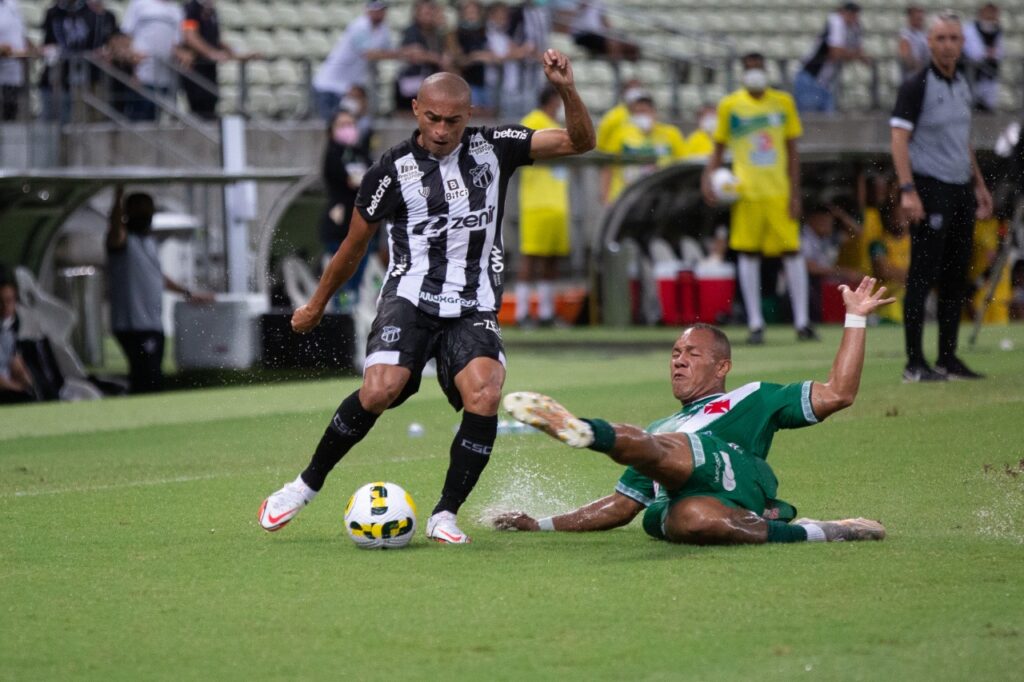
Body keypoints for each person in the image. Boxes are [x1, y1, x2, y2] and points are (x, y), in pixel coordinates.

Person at [257, 50, 596, 543]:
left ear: (470, 116)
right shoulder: (391, 172)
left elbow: (579, 142)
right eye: (432, 118)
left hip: (474, 302)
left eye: (453, 121)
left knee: (485, 392)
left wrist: (566, 88)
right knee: (379, 389)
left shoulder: (497, 146)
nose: (441, 130)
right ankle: (303, 486)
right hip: (411, 297)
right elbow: (354, 246)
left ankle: (445, 514)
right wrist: (315, 304)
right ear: (416, 110)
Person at [495, 277, 893, 545]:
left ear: (722, 367)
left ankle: (587, 432)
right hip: (688, 498)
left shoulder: (754, 397)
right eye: (674, 354)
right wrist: (539, 523)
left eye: (692, 354)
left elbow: (840, 393)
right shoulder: (661, 427)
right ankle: (819, 532)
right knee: (693, 519)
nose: (678, 361)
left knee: (668, 446)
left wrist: (855, 317)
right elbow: (619, 508)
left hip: (733, 475)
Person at [890, 11, 993, 381]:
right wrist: (907, 190)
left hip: (961, 187)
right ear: (930, 43)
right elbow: (898, 138)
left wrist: (979, 185)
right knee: (922, 274)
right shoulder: (916, 85)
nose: (948, 44)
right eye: (941, 38)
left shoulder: (963, 84)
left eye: (954, 38)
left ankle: (948, 358)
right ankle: (914, 362)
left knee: (955, 275)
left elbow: (963, 141)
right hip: (929, 186)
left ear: (962, 43)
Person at [702, 52, 814, 345]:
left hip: (778, 192)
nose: (754, 73)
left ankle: (802, 322)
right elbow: (718, 147)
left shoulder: (783, 103)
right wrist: (708, 178)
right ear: (742, 73)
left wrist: (795, 192)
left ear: (766, 71)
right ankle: (755, 323)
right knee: (748, 254)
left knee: (791, 252)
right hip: (745, 194)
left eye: (758, 68)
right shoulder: (730, 106)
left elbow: (792, 151)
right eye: (749, 68)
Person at [106, 185, 213, 393]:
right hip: (134, 324)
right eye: (141, 210)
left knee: (152, 376)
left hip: (152, 323)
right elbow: (115, 229)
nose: (147, 215)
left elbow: (157, 277)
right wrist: (118, 195)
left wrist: (188, 293)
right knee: (146, 377)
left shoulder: (149, 242)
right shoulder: (122, 242)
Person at [515, 85, 570, 328]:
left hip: (558, 202)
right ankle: (522, 312)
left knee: (552, 260)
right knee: (531, 257)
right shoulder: (531, 122)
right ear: (551, 100)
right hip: (536, 202)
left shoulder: (559, 127)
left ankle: (546, 312)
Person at [319, 108, 373, 312]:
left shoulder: (362, 153)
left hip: (363, 228)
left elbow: (371, 180)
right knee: (341, 281)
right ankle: (341, 318)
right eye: (342, 125)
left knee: (358, 280)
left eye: (351, 124)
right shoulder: (333, 155)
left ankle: (351, 315)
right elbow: (350, 181)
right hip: (340, 228)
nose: (347, 129)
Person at [311, 0, 393, 123]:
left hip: (349, 88)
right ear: (368, 10)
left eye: (382, 10)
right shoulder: (359, 26)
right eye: (376, 9)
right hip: (329, 86)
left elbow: (387, 51)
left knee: (351, 127)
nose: (380, 13)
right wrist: (406, 53)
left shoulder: (382, 29)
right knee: (331, 127)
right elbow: (369, 54)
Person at [600, 92, 686, 205]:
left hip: (661, 199)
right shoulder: (621, 134)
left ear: (654, 112)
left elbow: (683, 164)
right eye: (637, 113)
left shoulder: (671, 134)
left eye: (644, 111)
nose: (641, 116)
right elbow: (608, 165)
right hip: (626, 198)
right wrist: (605, 196)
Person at [793, 2, 870, 114]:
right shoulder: (836, 22)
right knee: (811, 116)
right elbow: (836, 52)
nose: (853, 17)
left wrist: (852, 54)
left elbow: (857, 51)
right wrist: (855, 55)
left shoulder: (854, 27)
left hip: (826, 80)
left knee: (827, 116)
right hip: (811, 76)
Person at [181, 0, 249, 120]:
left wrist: (235, 53)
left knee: (211, 102)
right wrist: (211, 53)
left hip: (210, 69)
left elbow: (215, 39)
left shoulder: (212, 11)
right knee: (199, 106)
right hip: (196, 68)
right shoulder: (192, 8)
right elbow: (190, 36)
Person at [121, 0, 188, 121]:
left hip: (165, 77)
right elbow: (126, 35)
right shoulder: (138, 4)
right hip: (142, 75)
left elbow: (176, 43)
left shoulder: (176, 9)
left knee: (157, 120)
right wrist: (132, 65)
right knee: (139, 117)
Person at [800, 202, 864, 322]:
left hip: (825, 282)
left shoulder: (828, 237)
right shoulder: (804, 236)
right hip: (808, 284)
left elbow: (859, 234)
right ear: (814, 219)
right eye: (825, 220)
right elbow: (809, 267)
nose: (829, 224)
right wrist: (842, 272)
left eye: (830, 221)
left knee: (857, 279)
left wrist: (841, 216)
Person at [39, 0, 100, 123]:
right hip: (58, 74)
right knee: (56, 115)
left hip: (83, 73)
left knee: (81, 115)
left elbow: (94, 44)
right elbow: (48, 42)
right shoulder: (53, 13)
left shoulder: (89, 13)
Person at [393, 0, 449, 114]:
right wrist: (436, 58)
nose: (429, 16)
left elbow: (448, 55)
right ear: (417, 14)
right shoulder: (411, 31)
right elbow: (414, 54)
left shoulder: (437, 33)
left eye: (431, 12)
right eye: (425, 13)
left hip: (431, 82)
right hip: (411, 81)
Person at [868, 200, 911, 324]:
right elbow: (884, 272)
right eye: (895, 215)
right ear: (887, 218)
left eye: (903, 214)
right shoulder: (878, 243)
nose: (899, 219)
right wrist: (911, 275)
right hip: (886, 295)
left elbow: (926, 274)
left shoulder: (917, 243)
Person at [452, 0, 495, 113]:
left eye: (474, 12)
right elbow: (458, 59)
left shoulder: (484, 32)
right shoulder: (457, 33)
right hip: (467, 81)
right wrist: (475, 56)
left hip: (485, 81)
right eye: (469, 12)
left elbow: (494, 55)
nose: (472, 15)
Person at [0, 274, 35, 404]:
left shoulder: (10, 327)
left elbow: (15, 362)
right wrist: (18, 389)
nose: (5, 307)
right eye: (0, 302)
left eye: (9, 301)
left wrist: (27, 381)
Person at [962, 3, 1003, 112]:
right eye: (988, 13)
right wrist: (988, 52)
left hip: (990, 75)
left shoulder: (997, 30)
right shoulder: (971, 29)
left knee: (989, 108)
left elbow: (1000, 52)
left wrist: (990, 53)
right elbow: (974, 53)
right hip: (973, 75)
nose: (991, 17)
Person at [568, 0, 638, 61]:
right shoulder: (573, 2)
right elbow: (565, 20)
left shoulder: (598, 2)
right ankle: (616, 69)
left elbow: (605, 22)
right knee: (612, 43)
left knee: (630, 44)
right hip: (582, 34)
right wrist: (580, 7)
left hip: (598, 34)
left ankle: (633, 72)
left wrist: (614, 33)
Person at [0, 0, 32, 121]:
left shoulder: (12, 4)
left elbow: (20, 31)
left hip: (13, 69)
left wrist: (29, 47)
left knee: (11, 110)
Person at [898, 4, 929, 80]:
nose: (920, 19)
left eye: (921, 17)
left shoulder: (925, 33)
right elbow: (906, 57)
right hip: (912, 77)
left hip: (924, 74)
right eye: (917, 17)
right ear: (910, 17)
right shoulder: (905, 35)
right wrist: (922, 68)